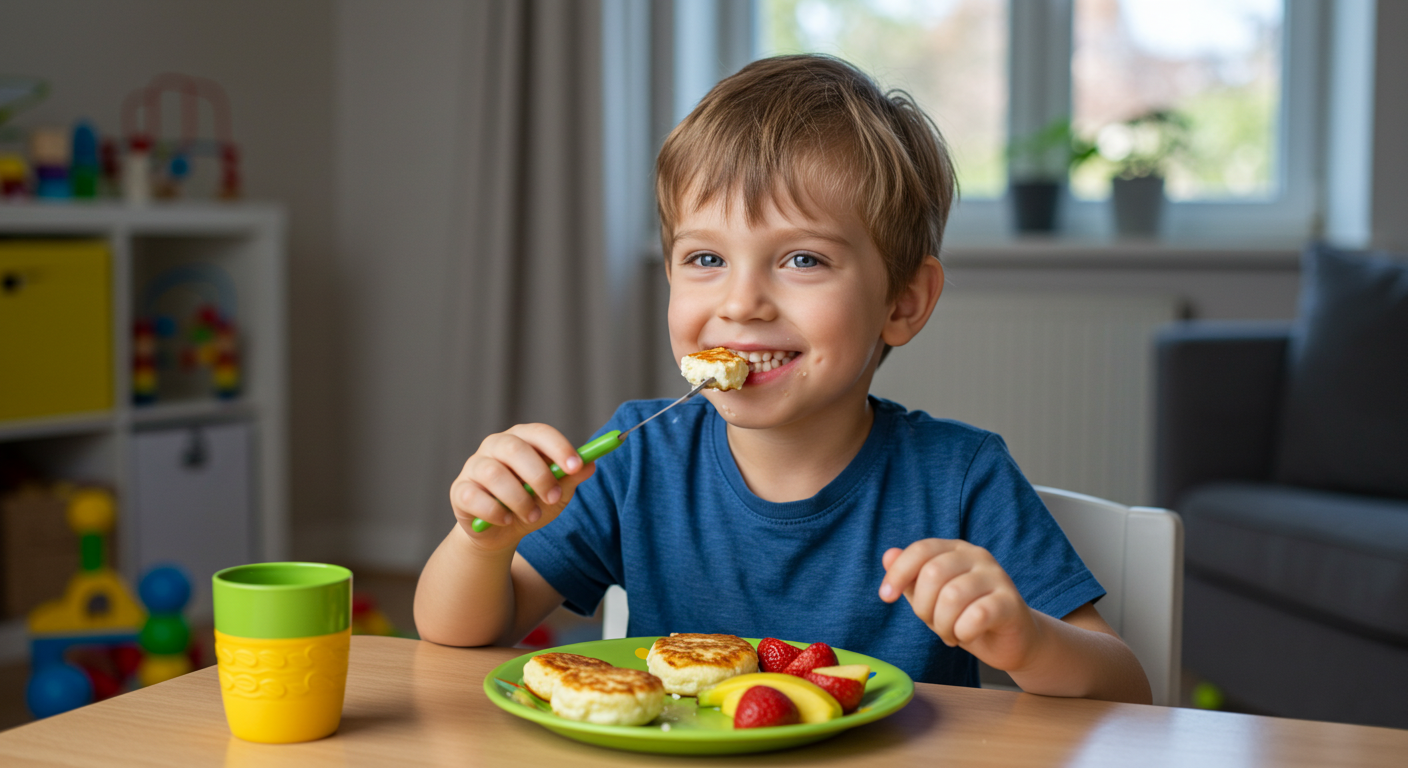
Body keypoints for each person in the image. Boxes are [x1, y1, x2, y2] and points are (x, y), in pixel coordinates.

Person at [415, 54, 1151, 703]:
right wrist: (480, 545)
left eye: (802, 259)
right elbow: (458, 635)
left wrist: (1023, 640)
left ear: (903, 302)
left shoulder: (961, 477)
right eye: (706, 259)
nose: (741, 302)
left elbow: (1125, 686)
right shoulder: (640, 457)